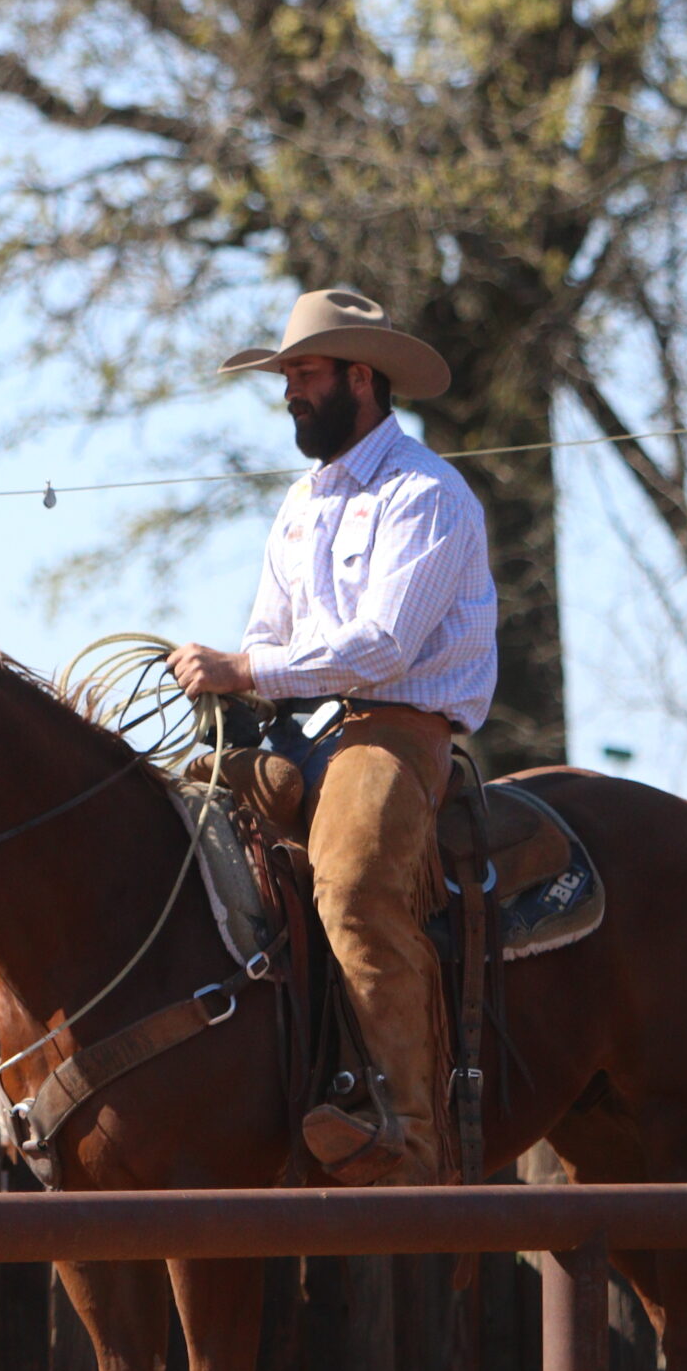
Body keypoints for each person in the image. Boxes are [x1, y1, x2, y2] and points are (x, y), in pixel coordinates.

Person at [168, 288, 497, 1186]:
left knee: (352, 883)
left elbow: (384, 645)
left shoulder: (427, 491)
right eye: (287, 376)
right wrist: (233, 684)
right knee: (174, 828)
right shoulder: (302, 504)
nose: (289, 393)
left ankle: (408, 1130)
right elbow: (269, 636)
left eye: (304, 374)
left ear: (362, 377)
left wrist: (243, 670)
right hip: (300, 723)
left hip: (397, 726)